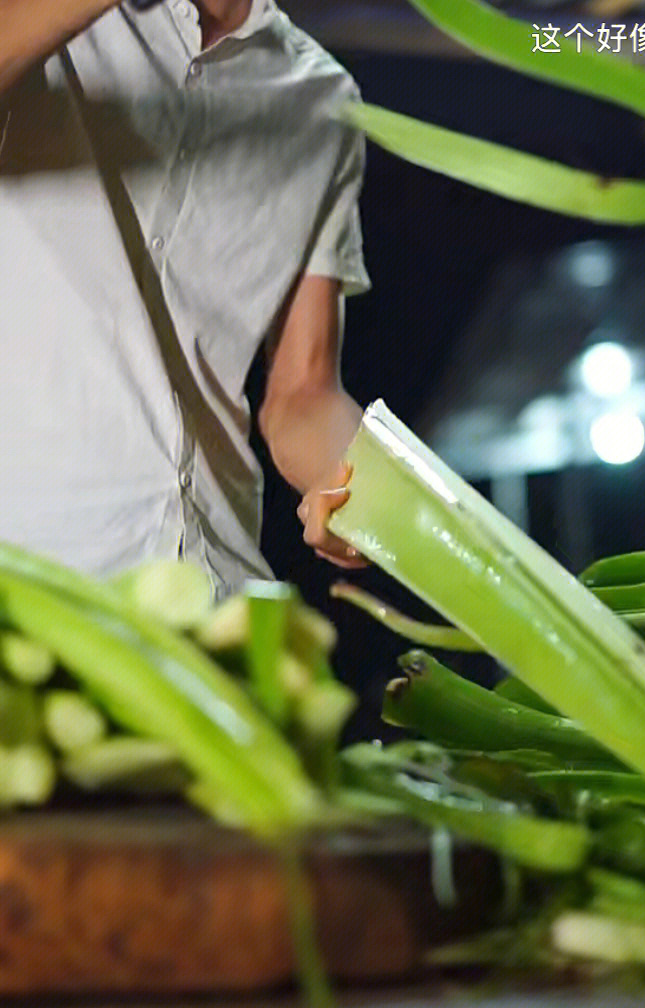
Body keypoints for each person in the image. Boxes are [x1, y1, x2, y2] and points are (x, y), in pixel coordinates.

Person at [0, 0, 369, 596]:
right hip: (36, 580)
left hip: (217, 589)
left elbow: (304, 394)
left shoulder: (322, 99)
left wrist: (355, 484)